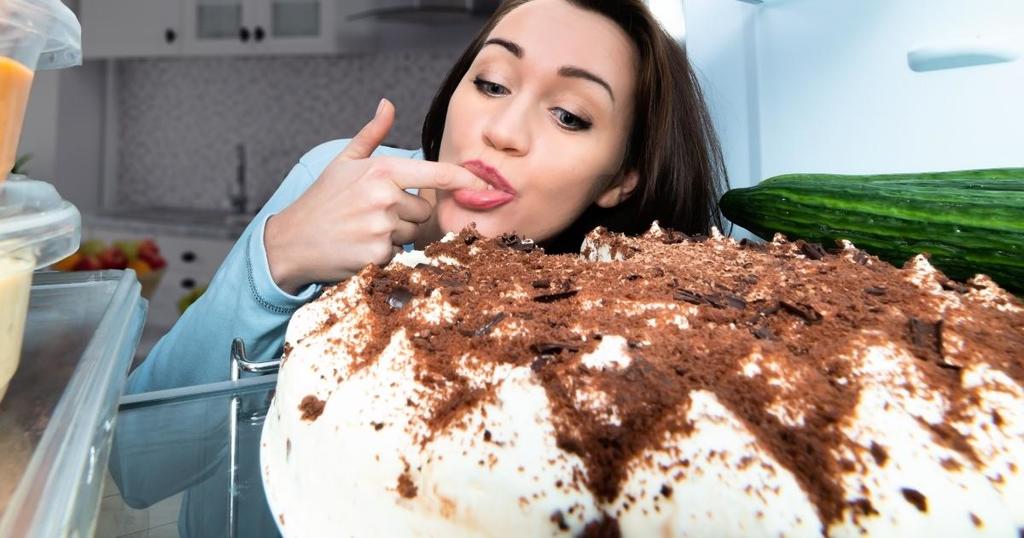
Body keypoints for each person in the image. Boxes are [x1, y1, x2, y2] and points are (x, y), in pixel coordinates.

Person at [126, 0, 727, 394]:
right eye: (491, 83)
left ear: (623, 179)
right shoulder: (338, 177)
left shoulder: (620, 317)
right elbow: (137, 463)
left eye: (570, 116)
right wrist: (279, 257)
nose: (504, 131)